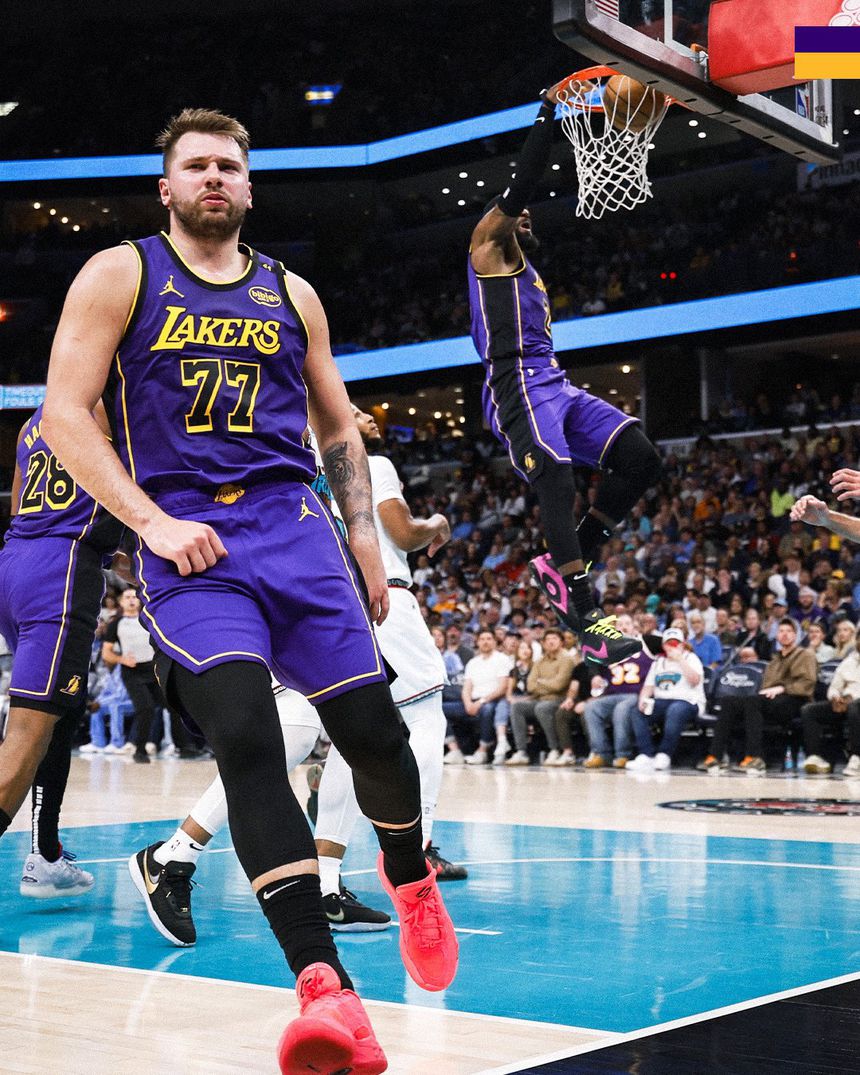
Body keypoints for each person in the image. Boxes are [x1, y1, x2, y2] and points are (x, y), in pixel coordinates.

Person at [40, 107, 456, 1074]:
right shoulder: (119, 274)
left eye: (229, 165)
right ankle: (324, 987)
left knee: (375, 737)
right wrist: (149, 521)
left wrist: (362, 532)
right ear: (167, 187)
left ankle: (409, 877)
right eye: (196, 166)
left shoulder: (290, 293)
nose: (214, 177)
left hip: (296, 529)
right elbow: (63, 412)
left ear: (250, 187)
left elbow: (338, 425)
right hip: (190, 539)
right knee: (249, 739)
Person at [467, 79, 660, 667]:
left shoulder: (528, 270)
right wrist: (548, 112)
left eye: (526, 213)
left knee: (642, 459)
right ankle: (583, 611)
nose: (524, 214)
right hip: (515, 382)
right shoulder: (486, 248)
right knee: (555, 474)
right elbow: (522, 183)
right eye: (514, 210)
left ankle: (569, 557)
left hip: (553, 380)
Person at [313, 404, 467, 927]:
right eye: (356, 411)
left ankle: (326, 879)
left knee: (349, 739)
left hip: (331, 605)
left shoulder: (307, 472)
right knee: (426, 717)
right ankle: (419, 846)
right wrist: (437, 523)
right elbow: (401, 533)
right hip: (385, 598)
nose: (369, 417)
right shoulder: (368, 463)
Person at [0, 403, 123, 898]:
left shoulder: (34, 422)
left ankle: (46, 855)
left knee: (60, 712)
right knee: (25, 736)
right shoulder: (112, 409)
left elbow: (19, 507)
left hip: (14, 562)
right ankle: (43, 855)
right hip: (63, 569)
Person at [701, 618, 816, 773]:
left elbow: (808, 682)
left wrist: (783, 688)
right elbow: (766, 687)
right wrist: (769, 691)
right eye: (781, 631)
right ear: (777, 635)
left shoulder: (805, 654)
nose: (785, 634)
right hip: (772, 700)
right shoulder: (775, 660)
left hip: (795, 700)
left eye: (789, 631)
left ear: (795, 636)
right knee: (729, 701)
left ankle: (754, 757)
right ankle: (715, 756)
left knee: (753, 701)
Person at [100, 585, 168, 763]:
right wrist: (122, 659)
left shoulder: (149, 620)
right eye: (127, 597)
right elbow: (106, 653)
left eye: (133, 597)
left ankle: (185, 746)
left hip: (153, 669)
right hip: (132, 671)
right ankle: (140, 749)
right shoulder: (116, 624)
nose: (131, 600)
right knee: (145, 708)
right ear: (121, 602)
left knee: (173, 705)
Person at [581, 613, 654, 769]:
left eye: (627, 623)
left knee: (621, 710)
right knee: (591, 708)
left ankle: (623, 754)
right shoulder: (607, 647)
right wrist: (595, 675)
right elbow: (591, 661)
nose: (623, 627)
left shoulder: (645, 642)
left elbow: (667, 644)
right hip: (611, 694)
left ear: (634, 628)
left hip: (635, 695)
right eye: (619, 625)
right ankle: (601, 753)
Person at [628, 626, 706, 771]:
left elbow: (695, 680)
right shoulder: (658, 662)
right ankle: (646, 755)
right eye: (669, 643)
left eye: (675, 643)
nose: (672, 647)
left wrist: (680, 660)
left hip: (688, 701)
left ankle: (664, 754)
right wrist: (643, 699)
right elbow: (648, 687)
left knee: (675, 709)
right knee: (636, 711)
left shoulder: (691, 658)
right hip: (662, 701)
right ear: (664, 646)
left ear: (682, 645)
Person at [508, 627, 574, 765]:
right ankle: (521, 751)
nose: (551, 642)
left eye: (554, 638)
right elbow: (530, 686)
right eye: (547, 639)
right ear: (543, 643)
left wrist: (541, 683)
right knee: (517, 707)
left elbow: (559, 685)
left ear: (561, 642)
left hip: (560, 699)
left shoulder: (567, 659)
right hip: (539, 699)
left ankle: (554, 749)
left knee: (542, 708)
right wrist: (546, 685)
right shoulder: (539, 661)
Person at [443, 628, 511, 763]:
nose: (485, 642)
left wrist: (481, 702)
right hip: (472, 701)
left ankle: (482, 750)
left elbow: (502, 688)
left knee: (487, 710)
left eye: (489, 639)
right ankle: (454, 750)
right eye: (482, 639)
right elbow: (466, 688)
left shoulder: (502, 659)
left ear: (495, 641)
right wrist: (468, 703)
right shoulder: (473, 662)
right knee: (439, 709)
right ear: (477, 642)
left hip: (492, 700)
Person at [799, 632, 860, 776]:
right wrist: (835, 697)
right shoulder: (848, 662)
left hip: (855, 703)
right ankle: (815, 756)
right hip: (844, 703)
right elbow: (834, 687)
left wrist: (851, 698)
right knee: (809, 710)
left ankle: (856, 757)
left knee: (854, 707)